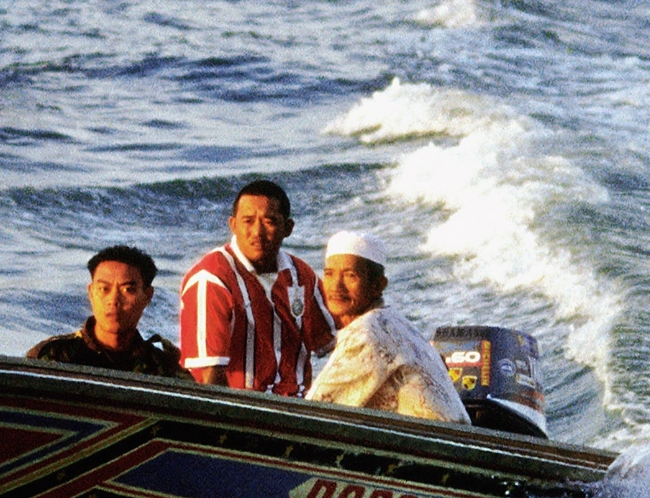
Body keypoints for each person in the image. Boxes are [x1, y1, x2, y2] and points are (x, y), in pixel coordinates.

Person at [178, 177, 334, 395]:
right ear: (233, 225)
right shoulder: (211, 278)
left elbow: (335, 344)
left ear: (288, 227)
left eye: (269, 221)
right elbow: (209, 378)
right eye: (248, 221)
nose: (257, 232)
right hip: (242, 408)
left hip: (298, 407)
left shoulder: (301, 275)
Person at [307, 232, 469, 423]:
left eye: (350, 275)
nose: (336, 286)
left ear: (378, 285)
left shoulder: (367, 334)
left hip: (435, 448)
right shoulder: (392, 320)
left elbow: (314, 412)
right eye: (329, 274)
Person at [28, 246, 189, 379]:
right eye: (103, 289)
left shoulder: (163, 368)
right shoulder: (53, 357)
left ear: (147, 295)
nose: (114, 300)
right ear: (91, 293)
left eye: (128, 290)